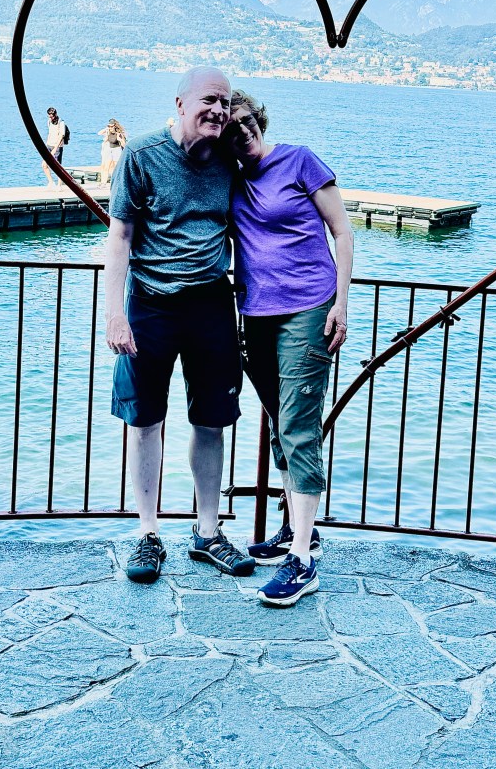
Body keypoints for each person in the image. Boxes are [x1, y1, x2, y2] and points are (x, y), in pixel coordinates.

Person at [104, 67, 254, 585]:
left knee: (211, 419)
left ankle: (208, 532)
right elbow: (120, 237)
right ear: (181, 104)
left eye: (225, 102)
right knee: (144, 419)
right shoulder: (142, 156)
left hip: (211, 302)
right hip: (150, 303)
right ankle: (148, 534)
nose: (219, 110)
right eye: (210, 99)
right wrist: (114, 313)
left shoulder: (230, 160)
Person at [224, 89, 354, 607]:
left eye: (245, 120)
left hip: (309, 309)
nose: (241, 130)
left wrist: (341, 303)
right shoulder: (232, 178)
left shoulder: (300, 160)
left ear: (259, 119)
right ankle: (300, 530)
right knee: (281, 422)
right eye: (229, 127)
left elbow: (342, 232)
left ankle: (302, 561)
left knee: (299, 426)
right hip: (255, 315)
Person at [97, 118, 127, 184]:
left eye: (111, 126)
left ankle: (116, 182)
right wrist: (106, 128)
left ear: (115, 126)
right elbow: (99, 133)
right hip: (109, 150)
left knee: (116, 167)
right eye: (109, 126)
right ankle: (103, 182)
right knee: (106, 166)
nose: (110, 127)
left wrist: (120, 139)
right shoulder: (108, 132)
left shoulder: (119, 134)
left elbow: (124, 145)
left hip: (117, 150)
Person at [42, 106, 65, 188]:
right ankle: (51, 182)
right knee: (44, 164)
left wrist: (55, 148)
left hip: (57, 147)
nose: (51, 118)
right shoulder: (49, 121)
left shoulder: (61, 122)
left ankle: (59, 185)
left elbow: (61, 135)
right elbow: (50, 133)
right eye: (49, 116)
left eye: (52, 116)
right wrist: (46, 144)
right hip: (49, 145)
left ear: (55, 114)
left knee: (58, 166)